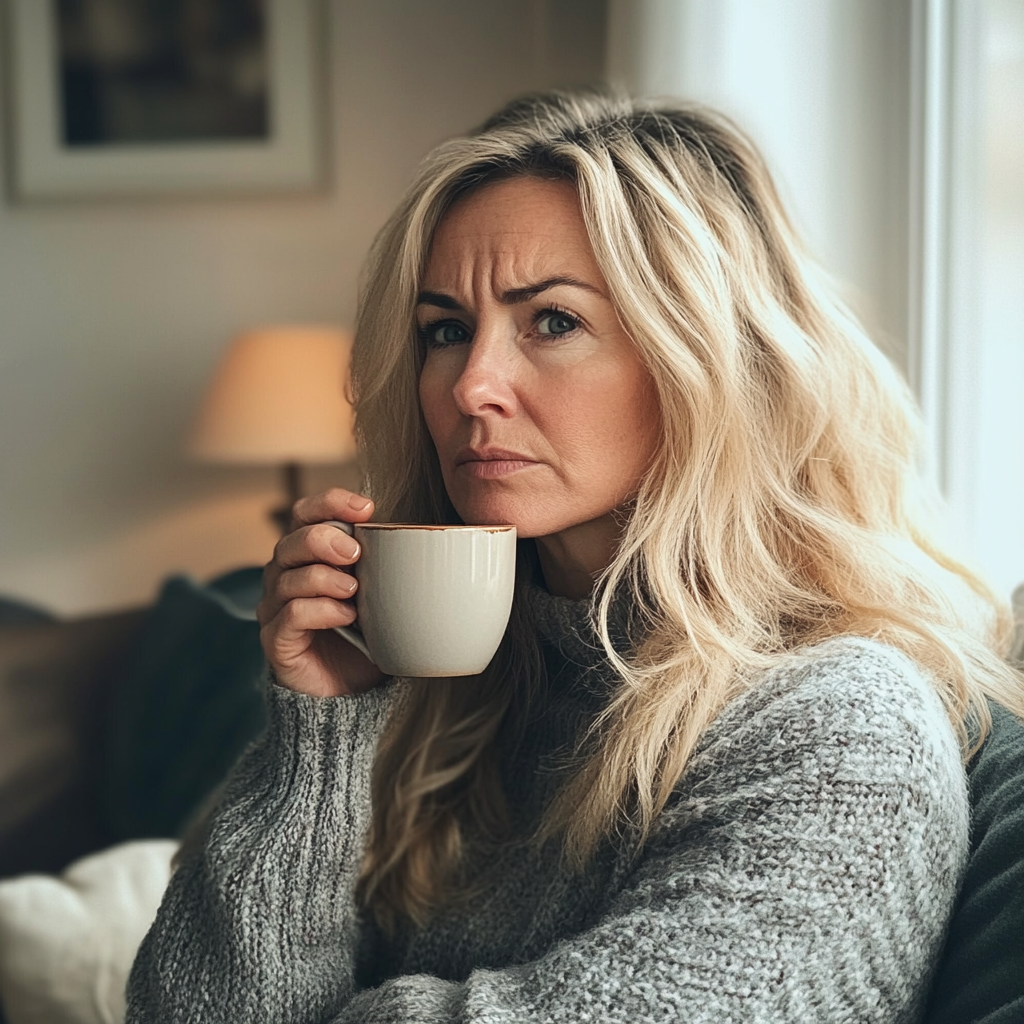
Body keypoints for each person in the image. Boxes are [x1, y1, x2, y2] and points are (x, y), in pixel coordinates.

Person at [126, 90, 1024, 1022]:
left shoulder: (836, 729)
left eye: (552, 321)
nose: (473, 385)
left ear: (706, 358)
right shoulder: (434, 700)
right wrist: (319, 736)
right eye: (445, 330)